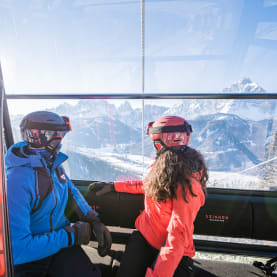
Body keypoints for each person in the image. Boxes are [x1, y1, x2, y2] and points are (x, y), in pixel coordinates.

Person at [90, 115, 208, 277]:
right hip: (145, 238)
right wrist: (114, 186)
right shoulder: (165, 165)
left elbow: (177, 237)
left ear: (163, 141)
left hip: (172, 252)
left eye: (155, 142)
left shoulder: (188, 185)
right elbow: (149, 185)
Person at [5, 111, 112, 277]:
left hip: (59, 246)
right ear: (42, 137)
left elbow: (72, 193)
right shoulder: (16, 182)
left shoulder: (53, 165)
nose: (61, 141)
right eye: (59, 136)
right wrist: (71, 235)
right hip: (31, 259)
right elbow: (18, 251)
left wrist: (93, 219)